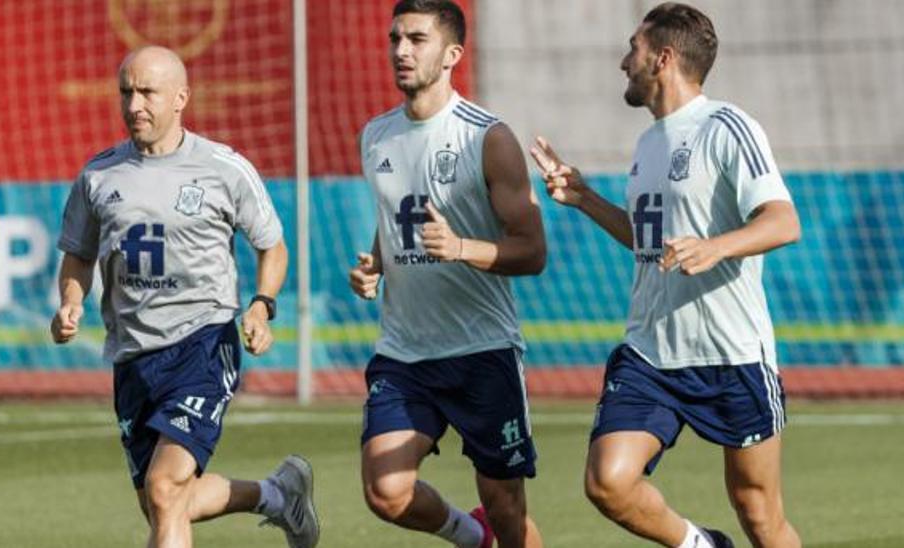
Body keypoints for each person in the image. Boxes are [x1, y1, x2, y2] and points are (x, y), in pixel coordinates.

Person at [529, 3, 803, 547]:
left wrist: (716, 247)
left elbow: (783, 220)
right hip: (652, 353)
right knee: (608, 482)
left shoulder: (728, 126)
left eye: (633, 47)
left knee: (760, 514)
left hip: (733, 357)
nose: (622, 61)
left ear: (663, 57)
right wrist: (584, 199)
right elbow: (648, 241)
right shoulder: (649, 142)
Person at [50, 46, 318, 548]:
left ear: (181, 98)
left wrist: (262, 304)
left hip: (204, 343)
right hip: (132, 356)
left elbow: (272, 247)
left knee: (164, 487)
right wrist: (71, 301)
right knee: (163, 502)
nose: (134, 106)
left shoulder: (224, 167)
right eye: (126, 92)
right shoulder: (98, 175)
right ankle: (278, 495)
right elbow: (79, 256)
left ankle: (278, 496)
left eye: (147, 92)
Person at [347, 1, 548, 546]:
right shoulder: (376, 136)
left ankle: (493, 533)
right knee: (385, 490)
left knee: (506, 509)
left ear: (453, 54)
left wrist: (460, 247)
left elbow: (532, 251)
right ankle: (470, 537)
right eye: (394, 39)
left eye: (416, 39)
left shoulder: (488, 137)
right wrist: (375, 265)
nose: (401, 51)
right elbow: (395, 222)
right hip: (405, 353)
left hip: (482, 351)